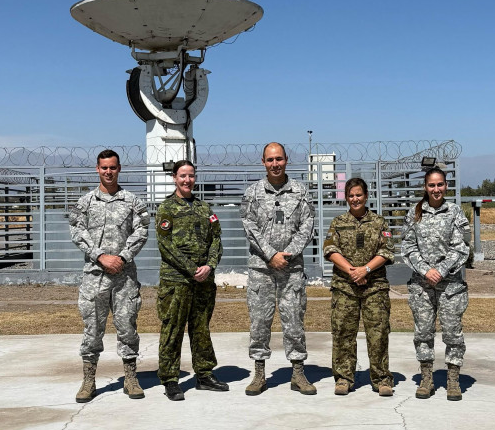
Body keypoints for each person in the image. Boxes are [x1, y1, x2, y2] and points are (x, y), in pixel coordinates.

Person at [68, 149, 149, 403]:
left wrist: (122, 257)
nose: (108, 172)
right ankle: (89, 380)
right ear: (97, 169)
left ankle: (130, 378)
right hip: (95, 275)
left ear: (119, 169)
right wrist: (101, 256)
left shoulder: (132, 201)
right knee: (92, 329)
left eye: (113, 167)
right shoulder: (86, 202)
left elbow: (142, 231)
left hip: (124, 277)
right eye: (104, 168)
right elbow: (78, 232)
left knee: (127, 327)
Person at [240, 142, 316, 395]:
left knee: (294, 320)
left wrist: (288, 254)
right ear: (263, 162)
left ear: (286, 160)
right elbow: (249, 226)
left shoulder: (300, 192)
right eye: (270, 160)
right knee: (260, 322)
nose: (275, 164)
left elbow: (307, 226)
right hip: (261, 268)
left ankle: (297, 372)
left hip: (291, 269)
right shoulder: (252, 193)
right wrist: (271, 255)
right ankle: (259, 373)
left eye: (279, 159)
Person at [155, 160, 228, 401]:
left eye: (191, 176)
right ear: (174, 178)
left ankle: (204, 374)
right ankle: (170, 379)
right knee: (172, 329)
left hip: (203, 281)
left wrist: (209, 266)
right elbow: (165, 245)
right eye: (182, 176)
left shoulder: (205, 209)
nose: (187, 180)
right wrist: (191, 268)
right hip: (176, 281)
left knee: (200, 328)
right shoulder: (166, 208)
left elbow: (216, 239)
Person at [402, 166, 471, 401]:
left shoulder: (454, 212)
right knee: (423, 332)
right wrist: (425, 270)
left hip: (450, 285)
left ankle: (453, 379)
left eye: (440, 184)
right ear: (425, 187)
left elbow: (461, 247)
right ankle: (427, 378)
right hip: (422, 285)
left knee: (453, 333)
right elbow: (408, 247)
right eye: (431, 185)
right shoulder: (415, 212)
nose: (436, 189)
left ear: (446, 186)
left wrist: (440, 271)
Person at [323, 177, 395, 396]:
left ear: (366, 196)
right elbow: (330, 249)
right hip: (345, 287)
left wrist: (366, 270)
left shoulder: (380, 222)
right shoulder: (338, 222)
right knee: (343, 333)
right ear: (346, 197)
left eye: (359, 195)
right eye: (351, 195)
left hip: (375, 287)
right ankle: (344, 378)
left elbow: (387, 251)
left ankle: (381, 378)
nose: (355, 199)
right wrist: (353, 272)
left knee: (378, 334)